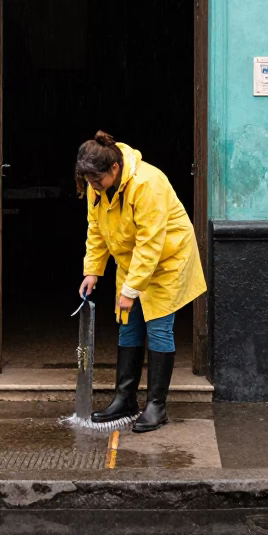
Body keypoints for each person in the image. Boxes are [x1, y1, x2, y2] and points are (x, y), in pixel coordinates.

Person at [76, 131, 206, 432]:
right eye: (88, 181)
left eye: (97, 180)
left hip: (166, 260)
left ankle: (157, 406)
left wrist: (131, 290)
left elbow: (150, 243)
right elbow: (96, 229)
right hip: (132, 260)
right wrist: (92, 269)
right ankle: (125, 399)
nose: (93, 186)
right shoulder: (96, 187)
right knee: (128, 321)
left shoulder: (149, 184)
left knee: (158, 326)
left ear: (115, 169)